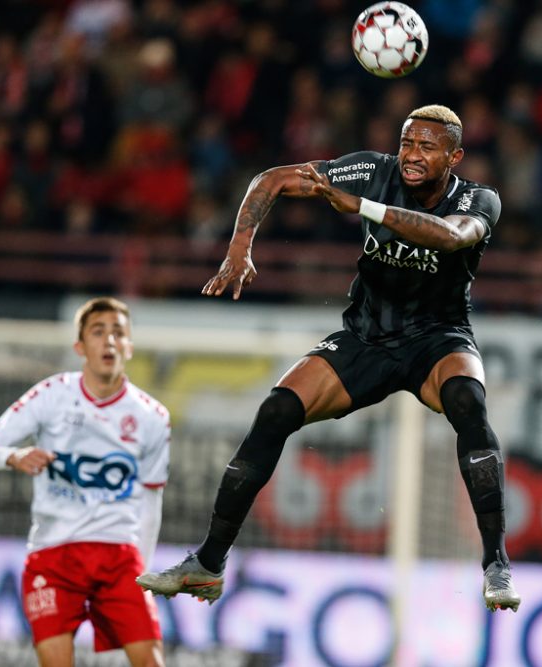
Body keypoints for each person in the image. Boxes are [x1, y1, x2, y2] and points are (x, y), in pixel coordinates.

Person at [137, 104, 520, 613]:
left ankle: (496, 564)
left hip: (438, 339)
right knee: (275, 412)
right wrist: (239, 246)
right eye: (407, 142)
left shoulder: (478, 198)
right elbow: (271, 179)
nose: (411, 155)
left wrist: (363, 207)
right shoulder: (371, 169)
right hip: (365, 338)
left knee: (469, 402)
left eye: (427, 147)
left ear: (454, 156)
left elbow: (449, 236)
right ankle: (207, 565)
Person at [0, 297, 169, 666]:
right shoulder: (52, 395)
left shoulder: (152, 416)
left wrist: (145, 574)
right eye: (98, 332)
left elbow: (152, 499)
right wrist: (12, 455)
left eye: (118, 333)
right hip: (54, 556)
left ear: (130, 347)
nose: (109, 341)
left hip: (118, 557)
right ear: (80, 347)